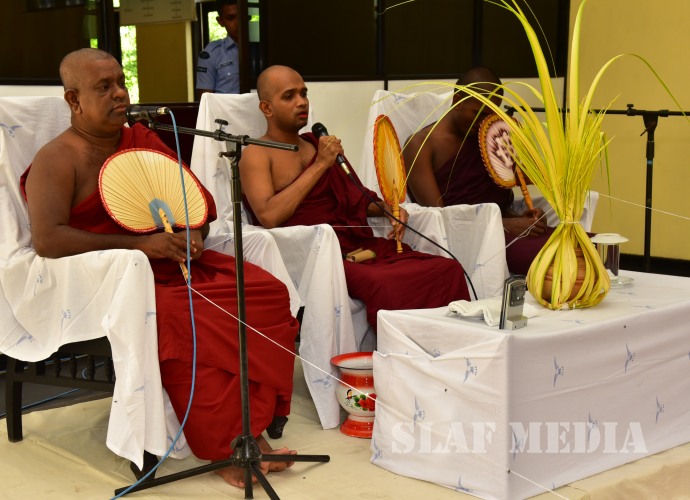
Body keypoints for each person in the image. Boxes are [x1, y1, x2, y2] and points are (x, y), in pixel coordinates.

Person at [21, 48, 298, 488]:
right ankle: (224, 446)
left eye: (120, 82)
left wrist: (194, 233)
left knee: (265, 292)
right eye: (104, 87)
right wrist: (139, 245)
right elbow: (49, 239)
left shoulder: (142, 140)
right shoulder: (58, 157)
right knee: (188, 318)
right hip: (115, 281)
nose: (120, 94)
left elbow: (193, 201)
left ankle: (252, 427)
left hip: (172, 263)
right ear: (73, 100)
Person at [240, 65, 471, 332]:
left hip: (357, 246)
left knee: (446, 269)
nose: (302, 102)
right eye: (289, 96)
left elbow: (357, 196)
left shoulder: (317, 144)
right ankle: (402, 350)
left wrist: (387, 209)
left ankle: (448, 345)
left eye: (304, 93)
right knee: (386, 283)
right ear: (267, 108)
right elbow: (268, 216)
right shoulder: (257, 153)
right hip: (316, 256)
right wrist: (320, 165)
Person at [403, 66, 551, 275]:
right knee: (555, 259)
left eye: (490, 115)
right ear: (458, 100)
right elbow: (441, 219)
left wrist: (527, 220)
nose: (483, 122)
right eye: (478, 113)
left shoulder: (486, 140)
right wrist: (507, 225)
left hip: (504, 231)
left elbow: (495, 204)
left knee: (583, 243)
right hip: (473, 242)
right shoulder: (421, 145)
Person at [196, 0, 241, 99]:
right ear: (220, 21)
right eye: (230, 18)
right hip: (224, 109)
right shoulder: (211, 54)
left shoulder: (262, 50)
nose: (238, 23)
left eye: (241, 16)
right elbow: (205, 99)